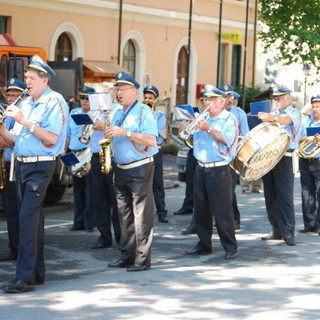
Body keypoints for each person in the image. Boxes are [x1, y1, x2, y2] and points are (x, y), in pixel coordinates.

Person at [1, 55, 68, 293]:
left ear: (44, 79)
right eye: (27, 77)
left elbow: (51, 138)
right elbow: (15, 140)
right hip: (21, 164)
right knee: (31, 219)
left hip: (41, 165)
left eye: (30, 78)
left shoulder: (55, 101)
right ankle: (37, 273)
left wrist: (24, 121)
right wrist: (2, 129)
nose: (27, 82)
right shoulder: (26, 102)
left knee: (27, 218)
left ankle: (24, 278)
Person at [106, 71, 158, 272]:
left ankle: (142, 259)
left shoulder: (145, 111)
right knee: (124, 215)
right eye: (117, 89)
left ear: (133, 91)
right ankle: (127, 255)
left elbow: (151, 140)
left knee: (141, 215)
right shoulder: (118, 112)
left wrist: (125, 133)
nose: (119, 93)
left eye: (123, 89)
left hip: (140, 167)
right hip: (120, 168)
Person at [185, 84, 238, 259]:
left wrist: (207, 128)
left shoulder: (228, 119)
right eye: (206, 99)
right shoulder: (202, 117)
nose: (208, 103)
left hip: (219, 169)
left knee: (222, 210)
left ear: (221, 101)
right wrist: (187, 126)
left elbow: (227, 140)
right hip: (201, 167)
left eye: (212, 100)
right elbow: (186, 135)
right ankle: (204, 244)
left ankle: (230, 246)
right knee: (201, 210)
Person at [257, 85, 302, 246]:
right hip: (268, 156)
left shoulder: (294, 112)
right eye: (275, 99)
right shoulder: (273, 113)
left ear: (288, 99)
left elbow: (287, 120)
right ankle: (276, 230)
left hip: (285, 156)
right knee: (270, 195)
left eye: (279, 98)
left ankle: (289, 232)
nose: (276, 101)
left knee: (285, 197)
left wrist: (271, 118)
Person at [89, 84, 121, 249]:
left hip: (112, 156)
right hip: (96, 156)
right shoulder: (93, 112)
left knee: (116, 200)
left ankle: (122, 238)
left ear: (112, 95)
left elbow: (118, 132)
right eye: (96, 95)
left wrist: (103, 127)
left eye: (102, 95)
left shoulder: (117, 110)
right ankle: (104, 236)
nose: (98, 99)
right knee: (99, 199)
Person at [0, 78, 27, 262]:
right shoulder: (6, 115)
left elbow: (14, 140)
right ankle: (14, 248)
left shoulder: (23, 114)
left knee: (22, 209)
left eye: (15, 95)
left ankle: (23, 250)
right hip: (9, 164)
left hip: (21, 163)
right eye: (9, 95)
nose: (10, 99)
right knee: (11, 209)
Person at [219, 85, 249, 230]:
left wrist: (235, 139)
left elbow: (245, 136)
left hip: (233, 156)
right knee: (222, 190)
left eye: (231, 96)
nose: (229, 99)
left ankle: (230, 221)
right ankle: (232, 218)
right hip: (217, 157)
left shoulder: (239, 113)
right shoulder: (214, 113)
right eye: (225, 96)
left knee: (229, 190)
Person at [65, 86, 95, 232]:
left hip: (88, 153)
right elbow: (68, 135)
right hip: (75, 153)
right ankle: (78, 222)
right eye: (82, 98)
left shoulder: (97, 115)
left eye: (87, 98)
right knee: (77, 190)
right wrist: (63, 153)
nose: (84, 100)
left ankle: (89, 223)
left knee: (89, 190)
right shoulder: (73, 113)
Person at [143, 85, 169, 223]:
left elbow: (156, 131)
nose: (147, 100)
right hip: (142, 152)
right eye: (146, 97)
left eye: (150, 98)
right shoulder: (140, 113)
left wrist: (150, 113)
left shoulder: (160, 115)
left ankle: (161, 212)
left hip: (155, 151)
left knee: (157, 183)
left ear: (155, 100)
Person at [298, 95, 320, 233]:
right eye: (314, 106)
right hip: (305, 161)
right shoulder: (306, 122)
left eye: (318, 106)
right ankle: (310, 224)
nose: (315, 109)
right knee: (307, 194)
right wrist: (309, 138)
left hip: (319, 161)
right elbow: (297, 137)